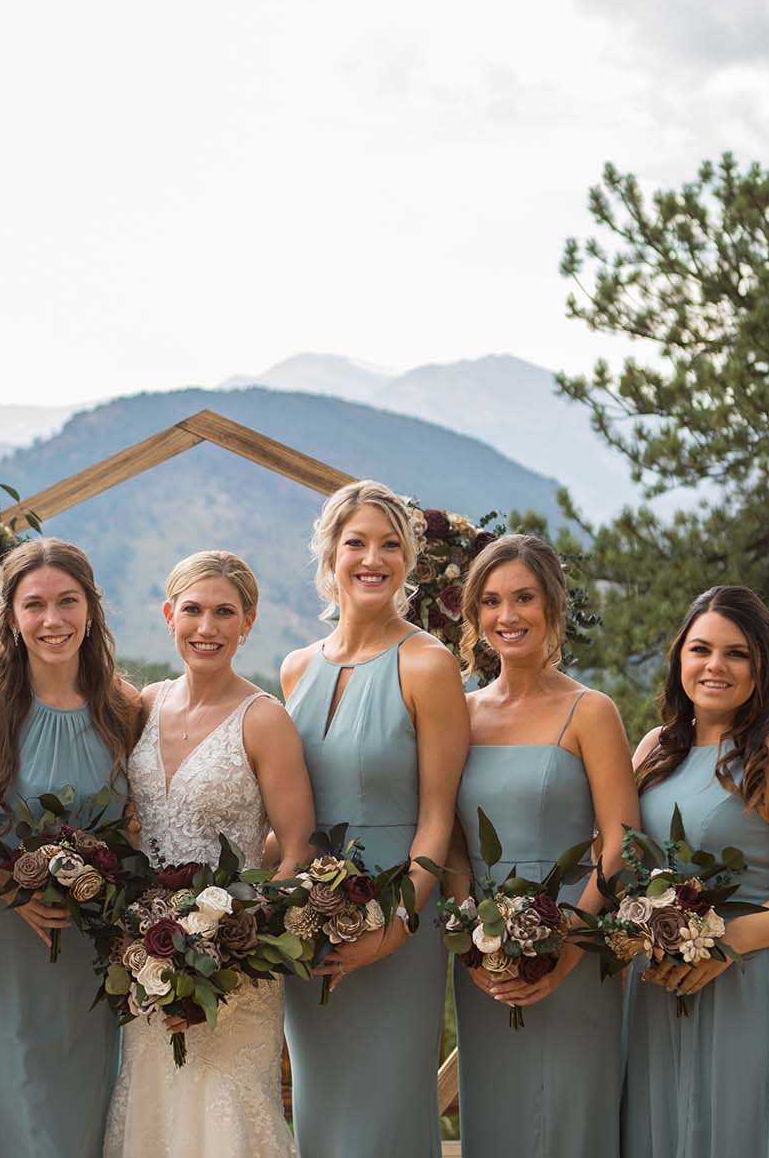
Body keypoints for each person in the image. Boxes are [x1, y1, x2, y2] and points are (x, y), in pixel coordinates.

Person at [104, 551, 314, 1158]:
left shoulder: (264, 720)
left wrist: (229, 958)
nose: (207, 627)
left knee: (225, 1118)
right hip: (147, 961)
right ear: (169, 615)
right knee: (154, 1109)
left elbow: (296, 854)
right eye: (192, 610)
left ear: (247, 623)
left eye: (225, 612)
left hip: (235, 971)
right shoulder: (146, 704)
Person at [277, 481, 466, 1158]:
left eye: (391, 544)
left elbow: (439, 819)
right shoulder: (296, 668)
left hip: (398, 918)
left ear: (410, 561)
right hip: (308, 924)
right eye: (356, 541)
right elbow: (289, 812)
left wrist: (394, 929)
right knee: (321, 1110)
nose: (372, 557)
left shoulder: (429, 664)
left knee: (386, 1113)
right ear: (330, 553)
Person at [621, 585, 769, 1156]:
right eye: (700, 650)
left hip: (750, 985)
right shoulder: (653, 749)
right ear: (679, 661)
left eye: (736, 653)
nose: (715, 665)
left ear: (759, 666)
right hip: (655, 991)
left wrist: (722, 943)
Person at [0, 538, 137, 1158]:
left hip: (93, 957)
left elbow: (139, 826)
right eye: (34, 605)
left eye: (67, 602)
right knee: (19, 1120)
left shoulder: (125, 710)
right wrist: (14, 890)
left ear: (91, 610)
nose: (52, 621)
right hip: (8, 947)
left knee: (81, 1124)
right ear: (11, 616)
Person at [445, 535, 636, 1157]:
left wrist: (569, 950)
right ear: (475, 617)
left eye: (524, 597)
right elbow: (452, 844)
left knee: (570, 1120)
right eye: (492, 602)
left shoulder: (590, 711)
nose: (508, 616)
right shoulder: (461, 715)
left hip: (577, 953)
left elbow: (622, 843)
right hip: (485, 961)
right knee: (496, 1119)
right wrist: (470, 939)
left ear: (552, 604)